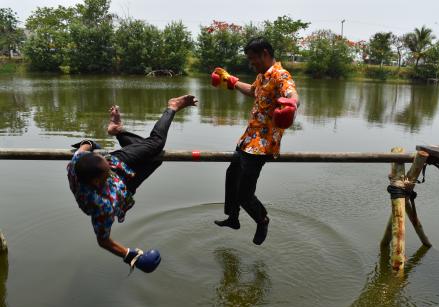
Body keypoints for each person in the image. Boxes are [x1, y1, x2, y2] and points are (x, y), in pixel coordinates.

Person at [67, 95, 198, 273]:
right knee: (154, 159)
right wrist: (130, 255)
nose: (108, 164)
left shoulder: (76, 163)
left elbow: (85, 146)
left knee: (155, 145)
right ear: (99, 180)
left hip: (119, 162)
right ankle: (123, 128)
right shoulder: (103, 207)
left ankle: (127, 127)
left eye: (104, 161)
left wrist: (89, 143)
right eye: (106, 169)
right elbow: (103, 240)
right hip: (125, 184)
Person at [212, 38, 299, 245]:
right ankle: (233, 218)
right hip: (248, 139)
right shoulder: (262, 77)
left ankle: (262, 219)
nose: (252, 64)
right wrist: (231, 81)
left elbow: (291, 92)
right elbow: (253, 92)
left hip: (262, 145)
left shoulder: (280, 75)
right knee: (231, 176)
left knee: (244, 193)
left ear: (265, 53)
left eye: (253, 59)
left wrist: (292, 104)